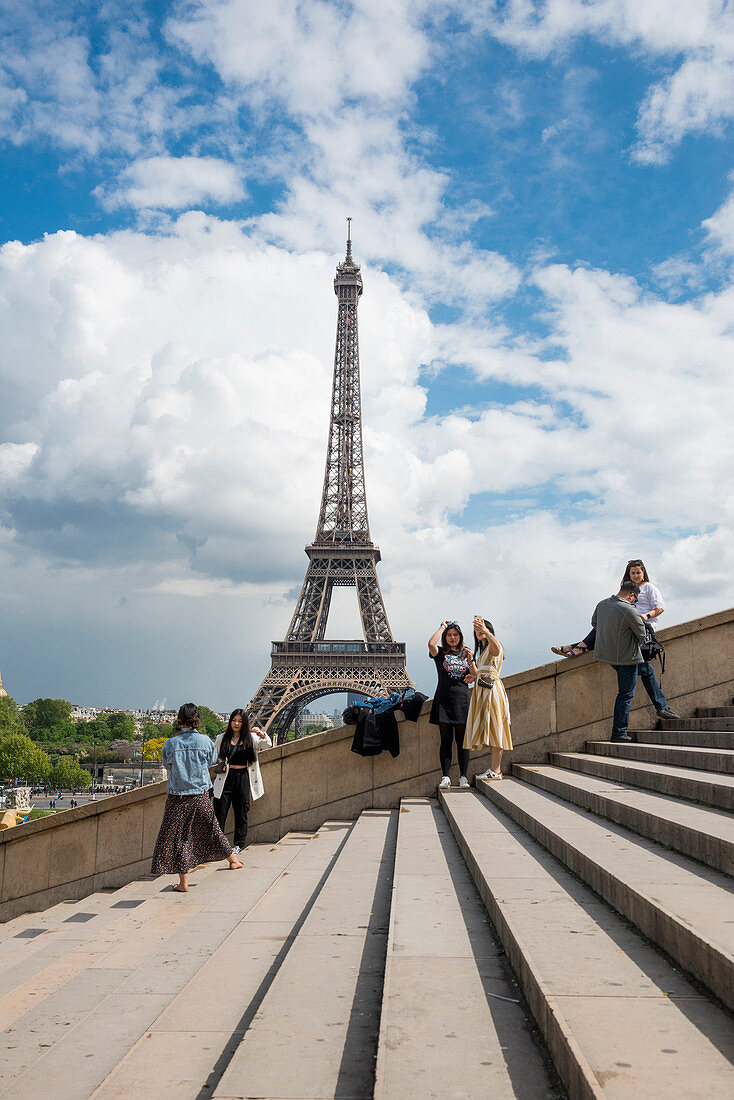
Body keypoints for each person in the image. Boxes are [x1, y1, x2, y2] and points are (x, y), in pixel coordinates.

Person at [551, 558, 678, 719]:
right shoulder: (625, 591)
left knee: (630, 688)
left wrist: (645, 616)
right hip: (626, 630)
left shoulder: (649, 587)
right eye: (633, 573)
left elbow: (660, 608)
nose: (636, 575)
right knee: (644, 672)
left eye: (638, 572)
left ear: (644, 572)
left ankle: (578, 647)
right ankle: (660, 707)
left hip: (642, 627)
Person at [151, 702, 243, 892]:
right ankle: (233, 860)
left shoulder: (170, 744)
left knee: (178, 838)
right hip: (200, 795)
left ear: (179, 720)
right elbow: (211, 761)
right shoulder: (205, 741)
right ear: (197, 720)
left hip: (177, 797)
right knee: (212, 829)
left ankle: (184, 883)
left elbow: (168, 765)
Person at [212, 709, 271, 854]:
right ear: (230, 721)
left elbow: (267, 744)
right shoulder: (221, 738)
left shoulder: (252, 738)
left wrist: (262, 734)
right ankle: (219, 845)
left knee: (241, 812)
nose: (236, 723)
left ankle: (238, 844)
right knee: (220, 813)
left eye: (240, 721)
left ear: (244, 723)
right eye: (234, 720)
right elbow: (217, 756)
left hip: (243, 777)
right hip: (226, 777)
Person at [428, 620, 476, 789]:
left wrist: (471, 661)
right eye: (449, 635)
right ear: (445, 637)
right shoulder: (440, 653)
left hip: (462, 700)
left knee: (462, 741)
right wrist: (442, 627)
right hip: (444, 699)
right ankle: (446, 776)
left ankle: (463, 776)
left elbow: (475, 676)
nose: (452, 637)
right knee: (446, 740)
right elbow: (431, 644)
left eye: (455, 634)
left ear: (460, 636)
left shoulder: (466, 653)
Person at [464, 616, 513, 779]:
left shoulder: (493, 646)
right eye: (476, 631)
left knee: (496, 728)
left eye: (482, 630)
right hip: (484, 691)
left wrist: (485, 630)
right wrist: (471, 660)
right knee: (491, 728)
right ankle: (494, 769)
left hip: (492, 692)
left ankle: (496, 770)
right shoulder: (484, 651)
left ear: (489, 630)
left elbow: (498, 647)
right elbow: (477, 674)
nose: (478, 633)